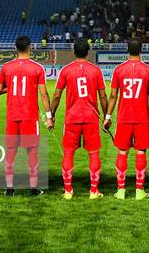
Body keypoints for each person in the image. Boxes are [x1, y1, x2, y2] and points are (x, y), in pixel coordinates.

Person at [48, 40, 108, 200]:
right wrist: (107, 116)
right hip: (91, 118)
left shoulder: (66, 70)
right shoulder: (95, 70)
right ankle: (93, 191)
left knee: (68, 153)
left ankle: (68, 191)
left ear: (74, 52)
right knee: (94, 153)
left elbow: (57, 95)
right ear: (88, 52)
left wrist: (51, 115)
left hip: (72, 118)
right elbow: (102, 95)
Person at [103, 38, 149, 200]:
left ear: (128, 50)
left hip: (124, 117)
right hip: (142, 118)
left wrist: (107, 117)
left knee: (122, 152)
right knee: (141, 152)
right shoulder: (148, 70)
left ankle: (121, 190)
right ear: (141, 50)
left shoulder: (119, 70)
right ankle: (139, 191)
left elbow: (113, 95)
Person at [0, 35, 51, 197]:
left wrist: (11, 88)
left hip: (12, 116)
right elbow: (43, 94)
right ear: (30, 48)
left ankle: (9, 188)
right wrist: (49, 116)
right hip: (29, 116)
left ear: (15, 48)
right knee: (32, 152)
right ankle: (33, 189)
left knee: (10, 151)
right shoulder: (37, 68)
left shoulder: (7, 67)